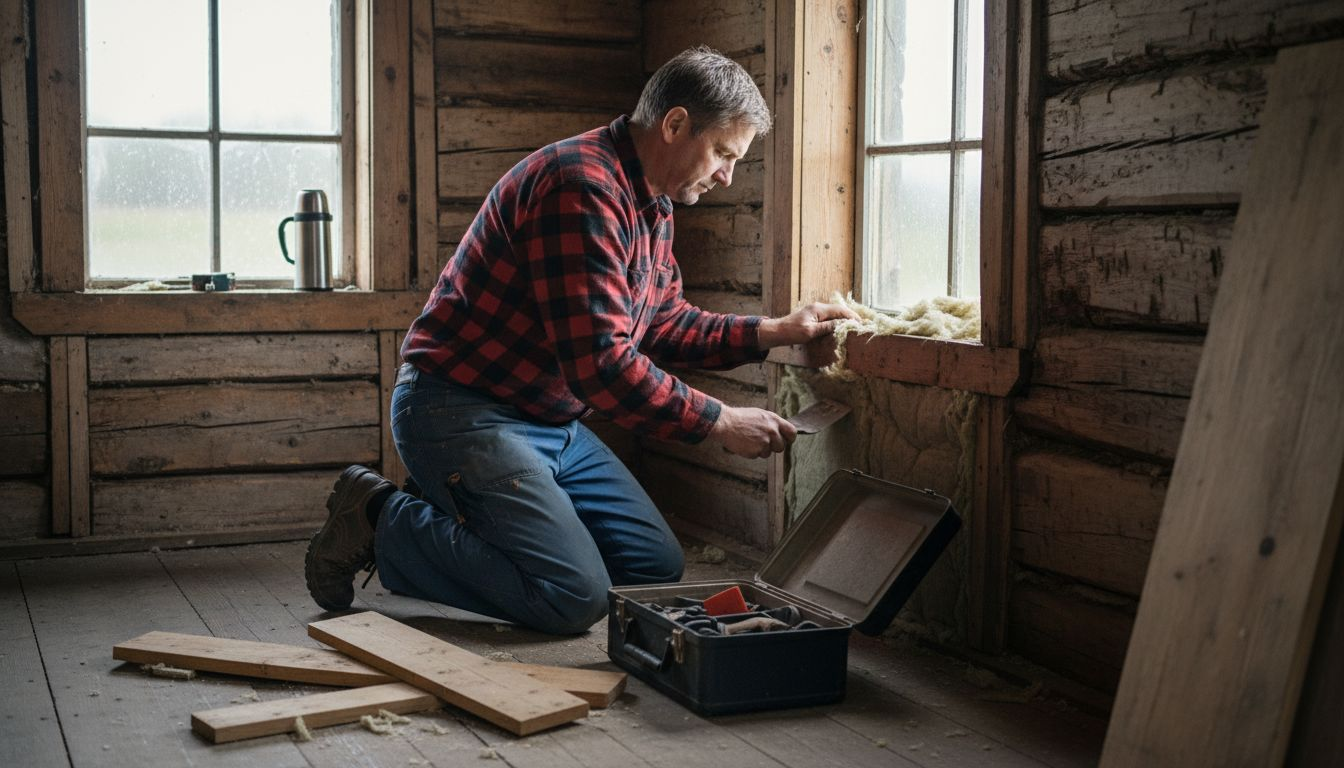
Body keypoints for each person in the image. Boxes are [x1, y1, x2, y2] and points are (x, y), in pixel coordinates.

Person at [304, 46, 857, 633]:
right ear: (674, 125)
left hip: (549, 420)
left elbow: (662, 322)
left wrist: (777, 332)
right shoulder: (581, 187)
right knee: (572, 596)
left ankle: (475, 511)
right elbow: (603, 366)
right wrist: (720, 421)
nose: (727, 175)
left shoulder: (653, 201)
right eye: (723, 153)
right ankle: (379, 517)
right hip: (459, 410)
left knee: (653, 564)